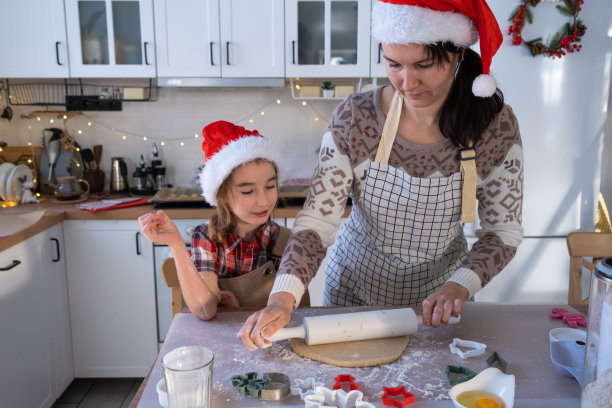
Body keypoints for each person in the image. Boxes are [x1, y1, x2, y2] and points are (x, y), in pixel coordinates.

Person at [238, 0, 523, 349]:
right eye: (394, 64)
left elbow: (503, 232)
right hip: (353, 296)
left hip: (440, 303)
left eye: (423, 65)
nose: (408, 82)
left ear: (459, 53)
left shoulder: (493, 124)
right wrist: (281, 299)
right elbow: (317, 222)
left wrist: (458, 286)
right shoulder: (356, 118)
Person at [139, 120, 290, 321]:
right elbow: (204, 310)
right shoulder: (207, 238)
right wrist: (176, 244)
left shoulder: (284, 240)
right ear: (222, 195)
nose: (263, 201)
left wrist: (240, 311)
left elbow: (300, 311)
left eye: (270, 187)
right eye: (247, 191)